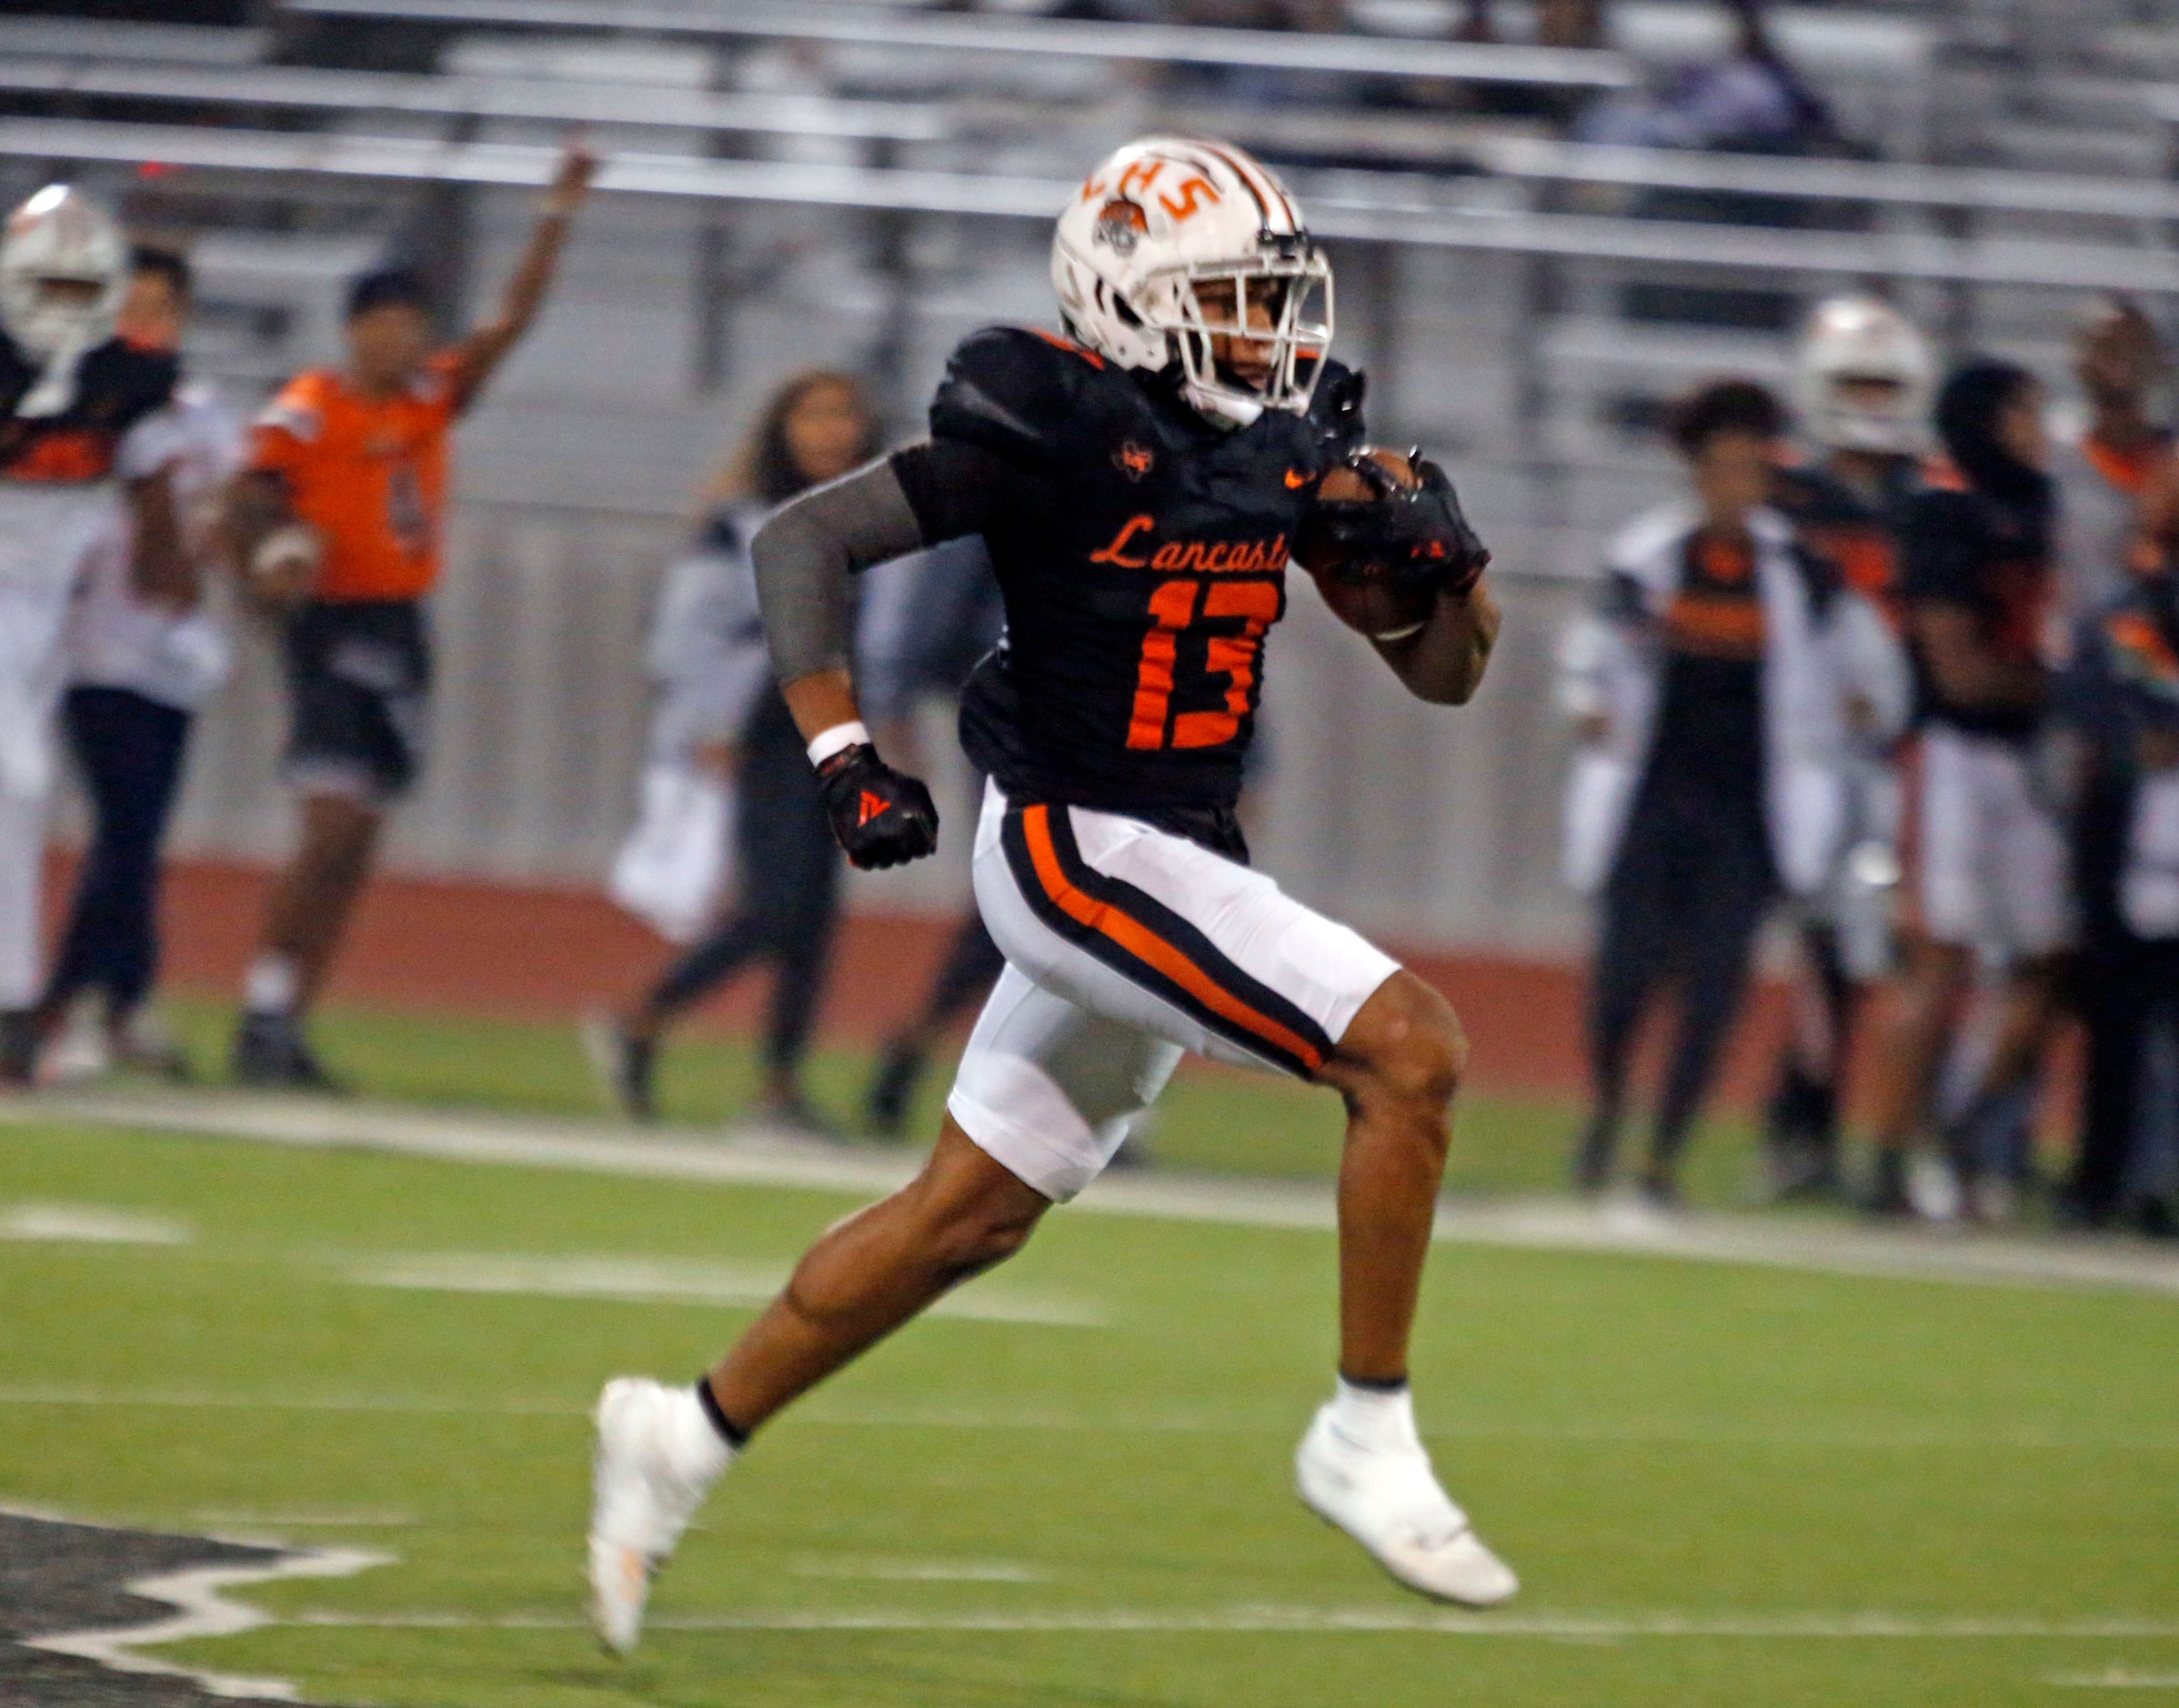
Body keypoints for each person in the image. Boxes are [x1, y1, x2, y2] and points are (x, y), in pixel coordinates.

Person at [584, 137, 1510, 1651]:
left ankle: (679, 1432)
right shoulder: (1055, 423)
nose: (1267, 327)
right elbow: (802, 533)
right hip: (1074, 842)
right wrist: (842, 751)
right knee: (1410, 1050)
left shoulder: (1274, 447)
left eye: (1271, 294)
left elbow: (1444, 677)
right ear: (1129, 298)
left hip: (1180, 850)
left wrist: (1453, 569)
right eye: (1227, 293)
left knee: (964, 1218)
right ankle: (1364, 1428)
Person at [223, 145, 592, 1089]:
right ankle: (264, 1004)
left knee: (361, 833)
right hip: (335, 620)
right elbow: (251, 490)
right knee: (329, 820)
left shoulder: (428, 397)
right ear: (350, 331)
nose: (394, 338)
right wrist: (271, 558)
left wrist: (554, 216)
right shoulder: (311, 407)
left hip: (400, 623)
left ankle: (286, 1019)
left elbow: (512, 323)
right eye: (379, 322)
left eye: (407, 322)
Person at [1560, 379, 1883, 1206]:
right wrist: (1586, 703)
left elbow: (1867, 669)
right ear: (1695, 473)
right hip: (1654, 798)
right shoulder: (1645, 560)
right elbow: (1592, 652)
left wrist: (1864, 708)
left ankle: (1662, 1156)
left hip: (1750, 813)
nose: (1736, 486)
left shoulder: (1804, 575)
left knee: (1714, 987)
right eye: (1721, 468)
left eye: (1751, 468)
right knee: (1624, 978)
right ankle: (1604, 1115)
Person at [588, 371, 880, 1131]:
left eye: (845, 414)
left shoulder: (876, 517)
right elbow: (687, 633)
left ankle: (779, 1090)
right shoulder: (741, 521)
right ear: (781, 428)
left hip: (836, 729)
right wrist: (705, 725)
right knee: (777, 905)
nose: (833, 430)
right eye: (815, 414)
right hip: (763, 723)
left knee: (815, 913)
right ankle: (644, 1017)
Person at [1862, 361, 2068, 1220]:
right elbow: (1958, 672)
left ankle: (1956, 1131)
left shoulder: (2043, 504)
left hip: (2026, 759)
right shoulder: (1943, 508)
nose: (2037, 428)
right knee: (1938, 957)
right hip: (1954, 754)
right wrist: (2066, 689)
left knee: (2047, 955)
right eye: (2023, 411)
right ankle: (1884, 1160)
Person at [33, 248, 239, 1081]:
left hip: (170, 654)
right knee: (126, 828)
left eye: (160, 310)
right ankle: (69, 1005)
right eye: (132, 308)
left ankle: (116, 1002)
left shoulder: (202, 415)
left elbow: (232, 505)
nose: (144, 326)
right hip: (92, 649)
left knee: (139, 835)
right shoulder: (83, 409)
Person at [0, 187, 181, 1088]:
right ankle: (13, 1003)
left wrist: (171, 568)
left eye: (83, 288)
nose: (63, 307)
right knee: (17, 777)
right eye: (50, 286)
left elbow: (151, 487)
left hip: (44, 617)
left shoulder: (134, 377)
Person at [1759, 296, 1927, 1197]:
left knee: (1896, 958)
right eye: (1853, 382)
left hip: (1907, 758)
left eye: (1882, 384)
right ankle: (1802, 1131)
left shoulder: (1924, 500)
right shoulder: (1784, 498)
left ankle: (1895, 1143)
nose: (1869, 401)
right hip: (1809, 759)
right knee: (1826, 955)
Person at [855, 535, 1009, 1139]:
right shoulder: (1021, 478)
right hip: (1024, 721)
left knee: (1050, 917)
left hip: (1134, 730)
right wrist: (900, 701)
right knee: (1027, 907)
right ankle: (914, 1049)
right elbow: (942, 609)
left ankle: (912, 1050)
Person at [2063, 447, 2179, 1233]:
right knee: (2114, 1016)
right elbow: (2100, 712)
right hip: (2126, 824)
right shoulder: (2129, 606)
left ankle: (2139, 1180)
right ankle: (2105, 1177)